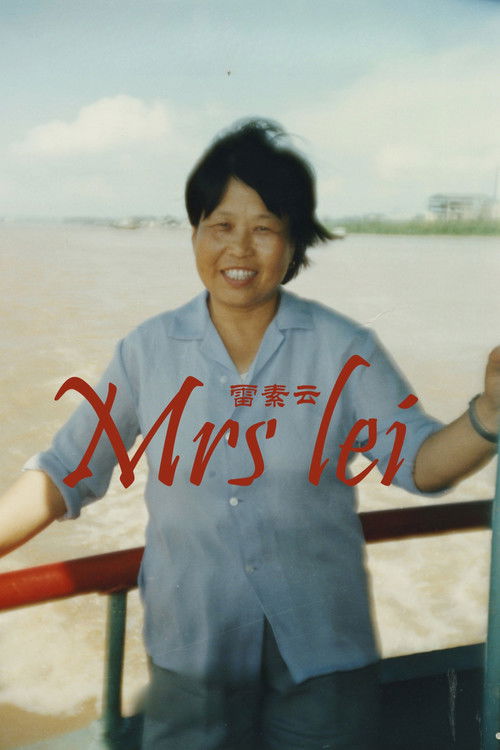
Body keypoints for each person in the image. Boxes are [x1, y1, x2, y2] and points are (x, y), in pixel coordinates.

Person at [0, 119, 498, 750]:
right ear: (195, 234)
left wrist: (489, 413)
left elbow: (419, 462)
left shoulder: (343, 348)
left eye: (264, 228)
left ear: (294, 245)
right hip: (193, 654)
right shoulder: (147, 352)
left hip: (322, 653)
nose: (239, 248)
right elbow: (65, 471)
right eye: (221, 226)